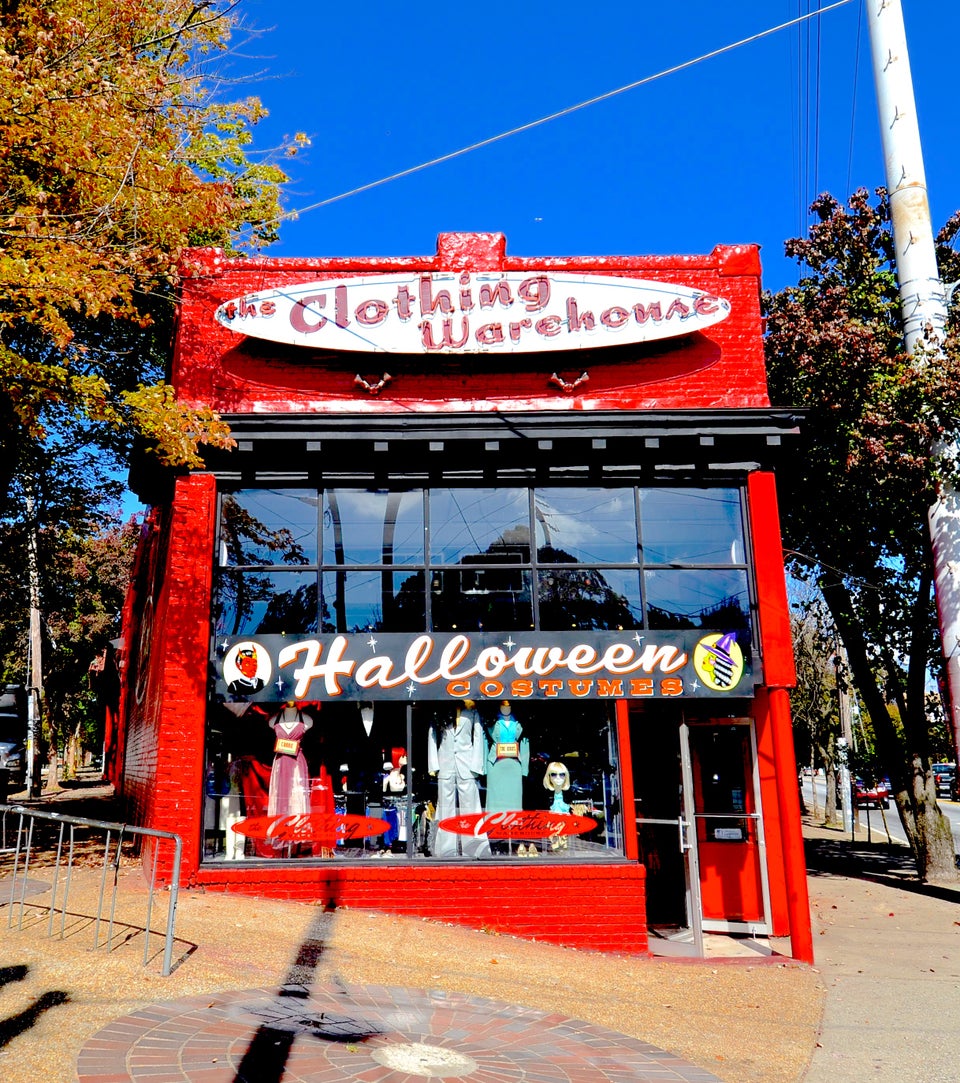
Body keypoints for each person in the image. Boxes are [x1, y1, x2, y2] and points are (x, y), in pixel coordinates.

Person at [427, 700, 489, 858]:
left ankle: (475, 848)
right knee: (445, 808)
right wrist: (433, 765)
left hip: (466, 764)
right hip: (445, 762)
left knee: (471, 807)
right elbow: (432, 736)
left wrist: (476, 765)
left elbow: (478, 737)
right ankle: (445, 850)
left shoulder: (472, 710)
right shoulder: (440, 710)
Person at [267, 702, 313, 818]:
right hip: (280, 762)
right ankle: (280, 824)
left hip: (297, 761)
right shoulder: (274, 720)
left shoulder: (306, 719)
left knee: (296, 792)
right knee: (280, 792)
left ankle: (297, 824)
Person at [484, 699, 529, 812]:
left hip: (514, 763)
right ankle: (494, 819)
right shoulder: (491, 719)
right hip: (495, 763)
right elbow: (484, 741)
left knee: (514, 796)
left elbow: (525, 743)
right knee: (495, 795)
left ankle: (513, 820)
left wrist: (524, 768)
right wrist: (483, 767)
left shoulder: (520, 720)